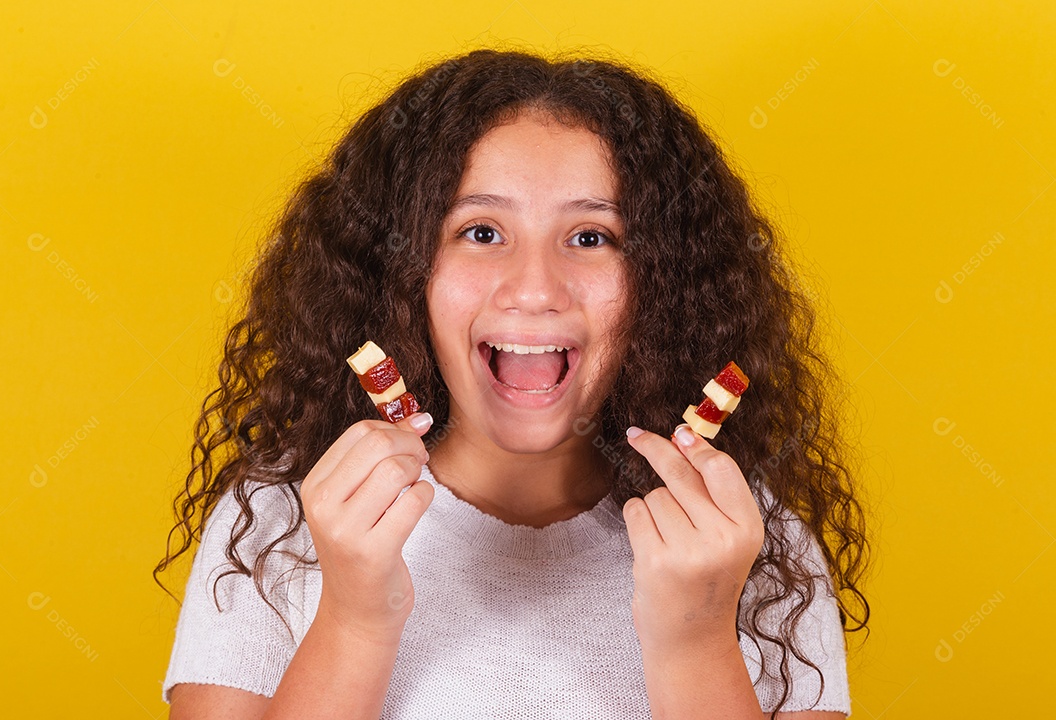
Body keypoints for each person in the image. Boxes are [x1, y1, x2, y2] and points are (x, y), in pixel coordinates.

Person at [155, 48, 870, 719]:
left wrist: (695, 637)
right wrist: (353, 616)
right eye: (481, 232)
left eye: (591, 237)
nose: (535, 289)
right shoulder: (276, 526)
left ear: (665, 283)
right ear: (401, 275)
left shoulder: (749, 540)